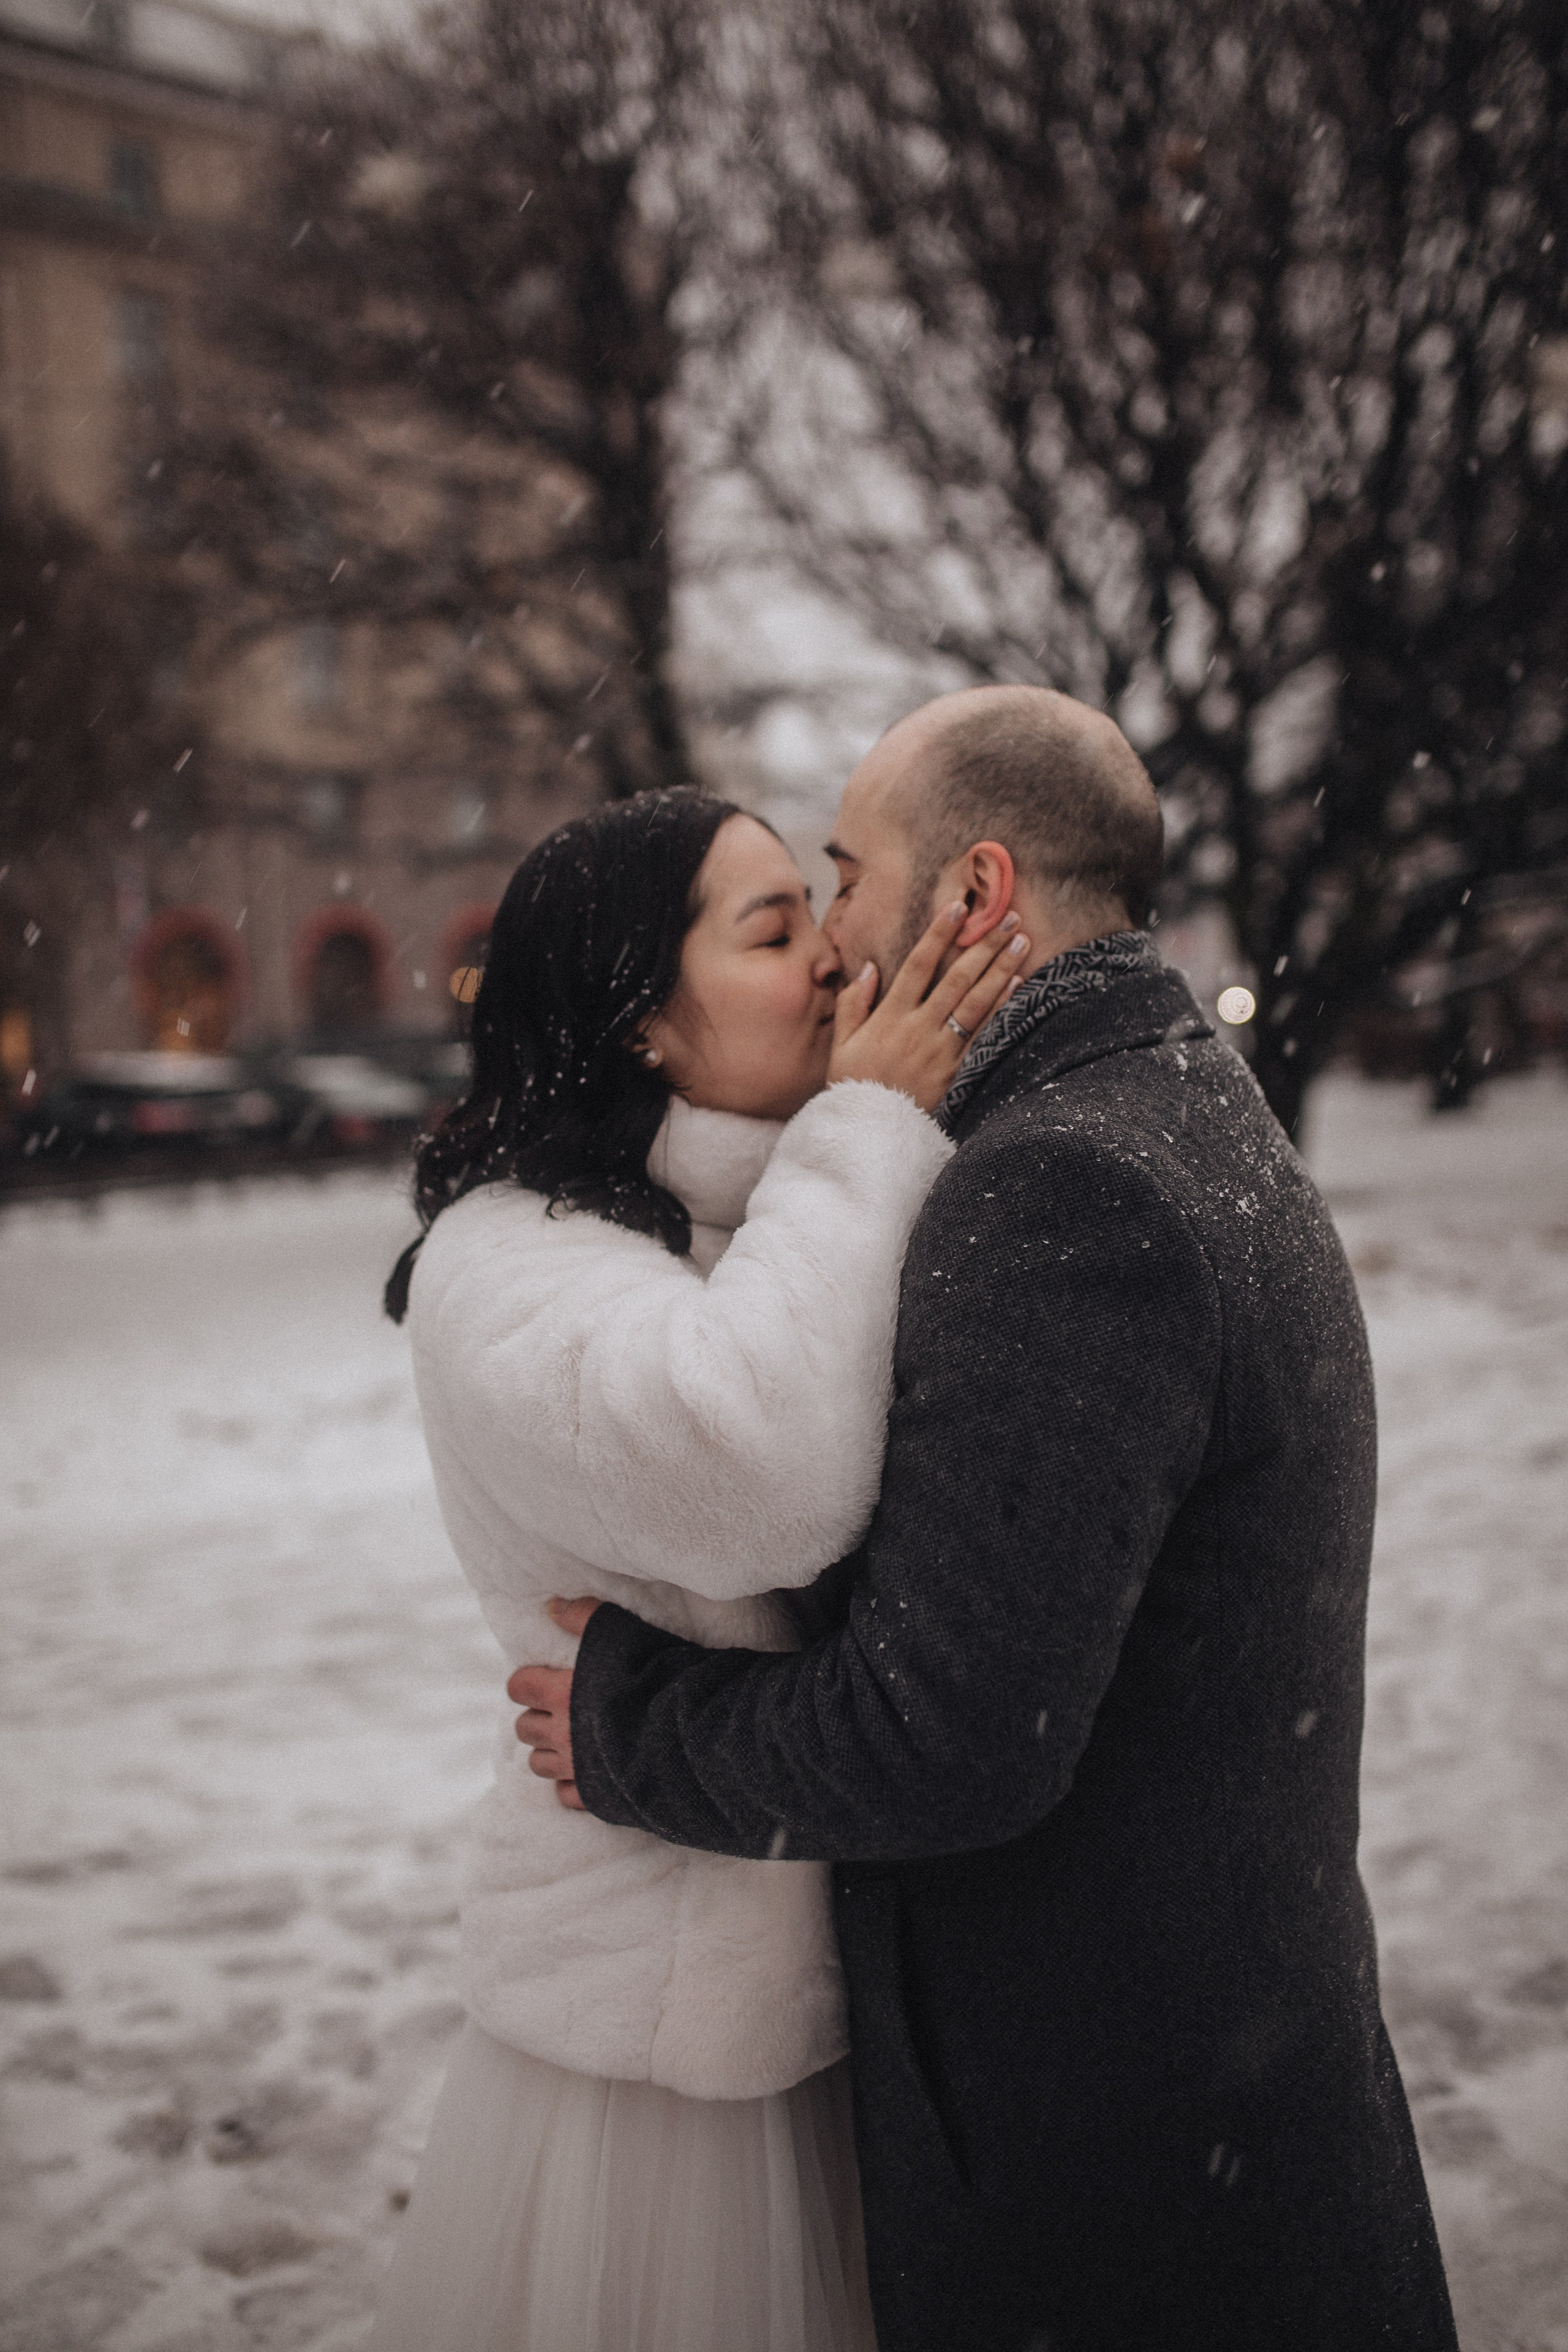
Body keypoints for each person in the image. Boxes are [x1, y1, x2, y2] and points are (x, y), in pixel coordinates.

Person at [511, 687, 1459, 2352]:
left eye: (850, 877)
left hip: (1110, 2172)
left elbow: (949, 1737)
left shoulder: (1058, 1186)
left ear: (976, 896)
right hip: (1219, 2100)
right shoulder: (1176, 1100)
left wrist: (631, 1724)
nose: (833, 939)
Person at [368, 785, 1027, 2352]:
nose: (828, 959)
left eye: (816, 909)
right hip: (664, 2052)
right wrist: (870, 1128)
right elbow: (766, 1488)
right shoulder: (506, 1265)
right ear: (639, 1018)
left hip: (852, 1981)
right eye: (772, 927)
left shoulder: (758, 1207)